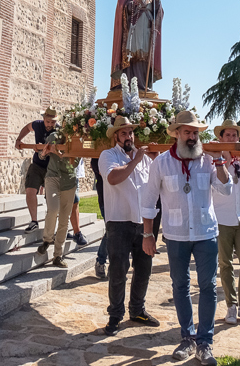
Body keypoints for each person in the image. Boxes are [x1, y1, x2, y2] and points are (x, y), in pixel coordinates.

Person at [141, 111, 232, 366]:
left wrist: (221, 163)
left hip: (205, 234)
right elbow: (148, 201)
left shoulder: (208, 161)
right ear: (177, 134)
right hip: (176, 235)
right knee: (180, 287)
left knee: (208, 288)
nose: (192, 137)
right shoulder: (161, 162)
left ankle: (205, 343)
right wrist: (147, 234)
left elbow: (226, 188)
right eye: (187, 132)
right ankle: (187, 338)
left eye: (195, 133)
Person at [98, 116, 159, 335]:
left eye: (131, 132)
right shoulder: (108, 155)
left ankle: (137, 310)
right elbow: (114, 178)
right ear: (116, 137)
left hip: (142, 222)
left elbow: (157, 181)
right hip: (119, 222)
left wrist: (157, 159)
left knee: (143, 270)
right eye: (123, 133)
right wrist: (135, 160)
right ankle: (115, 316)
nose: (128, 136)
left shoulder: (144, 158)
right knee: (118, 271)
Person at [208, 120, 240, 326]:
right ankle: (231, 305)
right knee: (225, 263)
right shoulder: (212, 159)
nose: (232, 139)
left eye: (234, 135)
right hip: (221, 218)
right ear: (220, 138)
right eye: (228, 135)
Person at [110, 0, 163, 91]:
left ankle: (143, 85)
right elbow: (122, 10)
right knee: (132, 57)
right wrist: (135, 3)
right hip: (132, 30)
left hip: (145, 29)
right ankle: (128, 86)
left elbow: (157, 12)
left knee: (144, 57)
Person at [35, 129, 78, 267]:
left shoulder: (78, 141)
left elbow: (74, 163)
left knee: (64, 219)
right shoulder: (53, 136)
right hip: (52, 177)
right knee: (53, 209)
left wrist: (57, 153)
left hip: (69, 181)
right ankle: (47, 240)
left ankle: (58, 255)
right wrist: (44, 153)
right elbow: (41, 157)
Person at [15, 108, 59, 231]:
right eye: (48, 122)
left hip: (52, 168)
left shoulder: (60, 131)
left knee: (51, 198)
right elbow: (27, 128)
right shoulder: (37, 124)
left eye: (52, 122)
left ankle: (53, 227)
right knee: (30, 191)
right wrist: (19, 139)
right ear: (43, 119)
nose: (50, 125)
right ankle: (34, 221)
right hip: (37, 165)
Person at [90, 157, 110, 279]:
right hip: (106, 201)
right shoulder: (97, 159)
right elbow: (107, 173)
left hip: (122, 199)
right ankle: (101, 261)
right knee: (111, 232)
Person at [67, 159, 89, 245]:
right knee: (74, 200)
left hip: (74, 171)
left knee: (75, 201)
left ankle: (76, 233)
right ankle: (76, 232)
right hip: (64, 171)